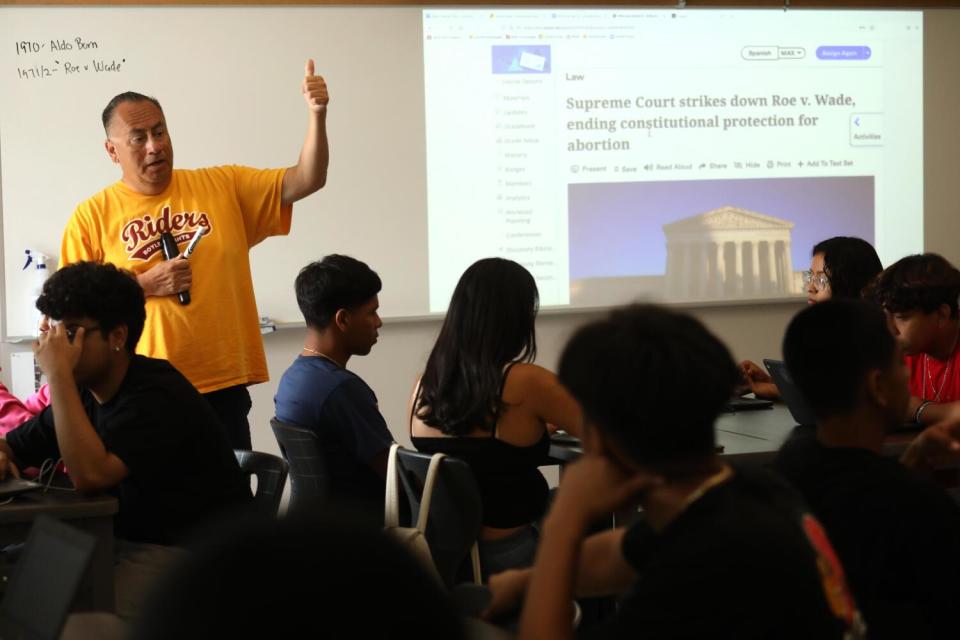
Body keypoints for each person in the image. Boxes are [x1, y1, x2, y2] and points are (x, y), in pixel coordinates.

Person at [486, 305, 862, 640]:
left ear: (598, 438)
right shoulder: (755, 490)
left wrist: (563, 525)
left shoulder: (691, 577)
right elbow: (621, 552)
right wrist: (526, 581)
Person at [58, 60, 330, 450]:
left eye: (160, 132)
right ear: (111, 151)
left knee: (229, 506)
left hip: (222, 386)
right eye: (138, 137)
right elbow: (71, 314)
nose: (154, 146)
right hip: (140, 390)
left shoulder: (222, 185)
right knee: (155, 508)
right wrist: (143, 284)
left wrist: (316, 115)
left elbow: (307, 178)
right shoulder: (91, 216)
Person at [0, 262, 252, 617]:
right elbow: (12, 443)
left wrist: (56, 373)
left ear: (117, 337)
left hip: (192, 557)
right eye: (53, 331)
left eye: (70, 332)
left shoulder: (156, 393)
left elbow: (92, 476)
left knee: (61, 617)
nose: (55, 345)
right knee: (19, 591)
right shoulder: (87, 392)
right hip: (113, 541)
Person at [773, 299, 960, 638]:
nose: (908, 374)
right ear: (877, 386)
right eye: (900, 364)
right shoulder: (921, 510)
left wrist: (910, 465)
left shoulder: (789, 464)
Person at [410, 258, 583, 578]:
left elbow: (473, 446)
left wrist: (531, 429)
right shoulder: (527, 381)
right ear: (515, 318)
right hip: (516, 551)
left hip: (450, 557)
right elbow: (605, 431)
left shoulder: (423, 385)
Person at [274, 255, 392, 518]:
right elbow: (396, 475)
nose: (378, 322)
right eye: (371, 311)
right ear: (343, 320)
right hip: (362, 529)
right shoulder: (341, 389)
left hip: (322, 527)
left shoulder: (292, 378)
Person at [741, 236, 883, 399]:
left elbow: (841, 398)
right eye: (810, 277)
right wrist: (772, 381)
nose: (810, 287)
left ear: (851, 284)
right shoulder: (827, 332)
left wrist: (774, 390)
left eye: (821, 279)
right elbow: (823, 386)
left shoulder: (875, 337)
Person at [871, 253, 960, 426]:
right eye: (886, 316)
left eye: (901, 317)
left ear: (942, 315)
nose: (890, 328)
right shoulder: (900, 349)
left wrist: (920, 410)